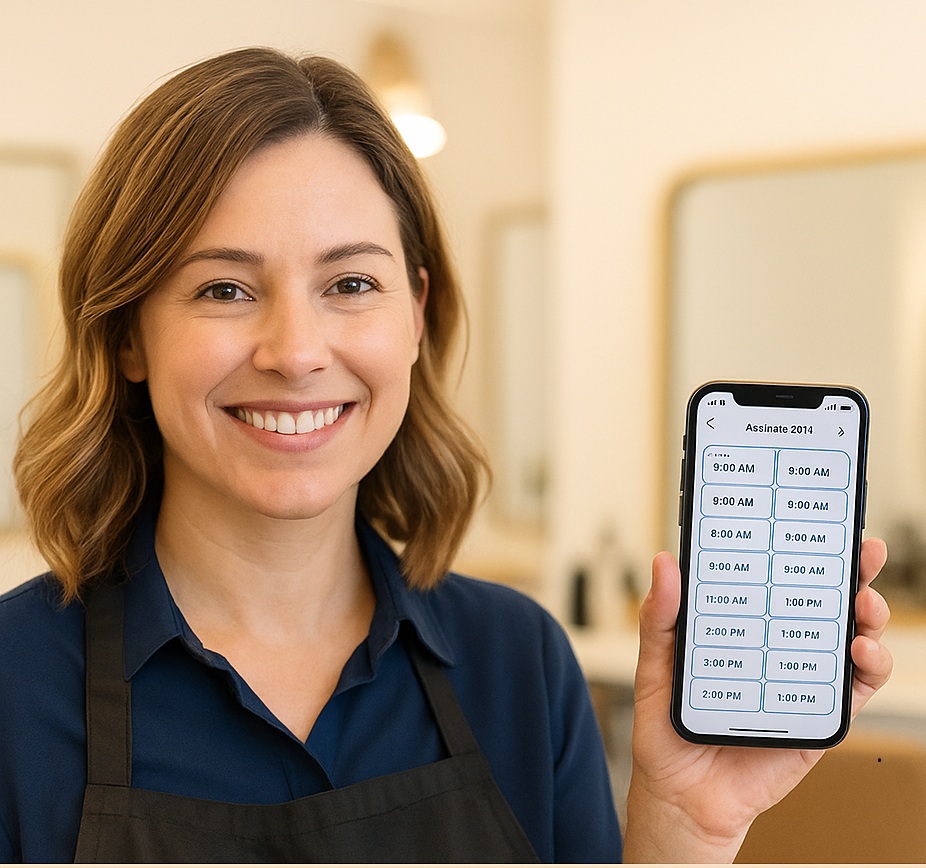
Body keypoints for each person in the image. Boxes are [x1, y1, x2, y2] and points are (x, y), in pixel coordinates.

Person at [0, 47, 891, 863]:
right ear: (127, 335)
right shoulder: (15, 682)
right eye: (224, 288)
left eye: (351, 283)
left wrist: (686, 827)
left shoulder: (520, 663)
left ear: (416, 313)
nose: (298, 350)